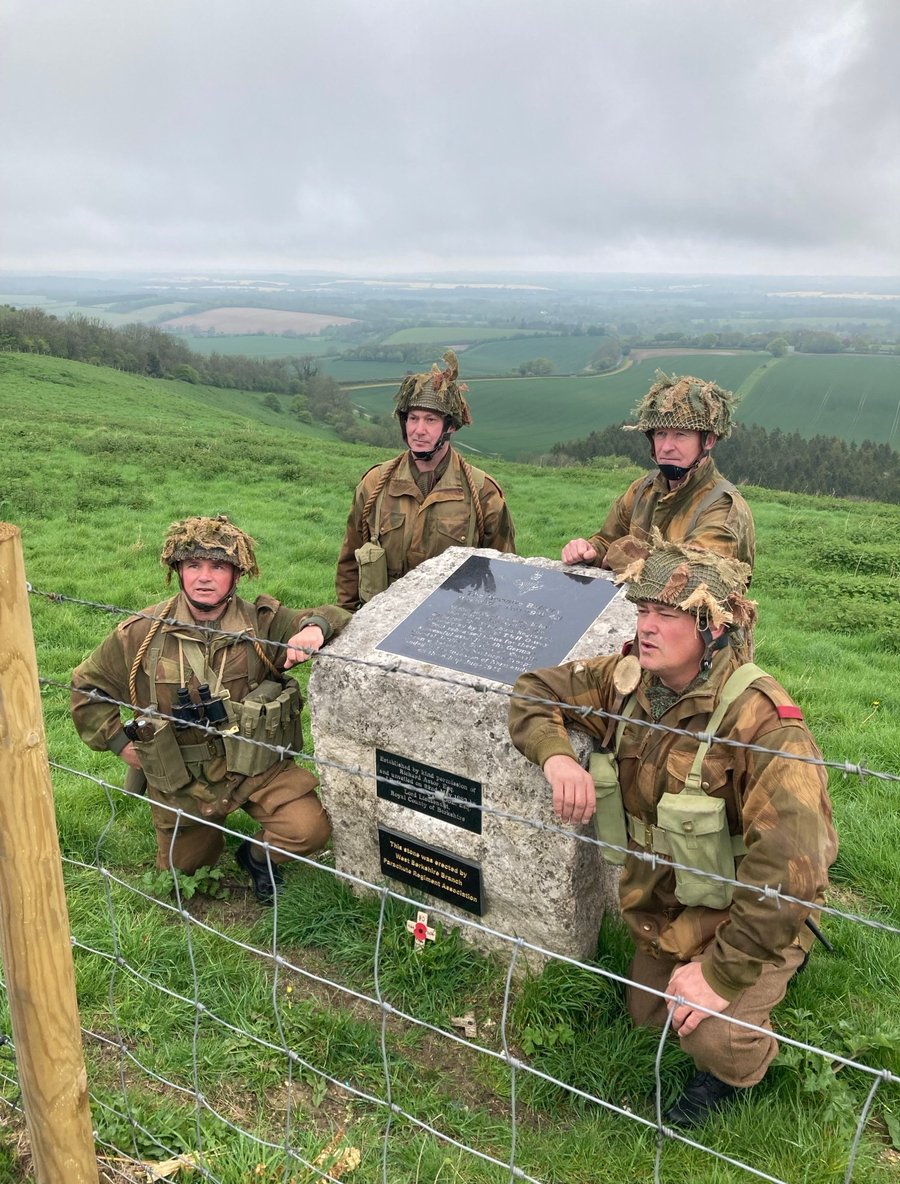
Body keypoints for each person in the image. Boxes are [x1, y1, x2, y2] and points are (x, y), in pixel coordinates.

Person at [508, 538, 837, 1127]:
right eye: (642, 612)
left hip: (748, 909)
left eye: (668, 615)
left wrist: (719, 974)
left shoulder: (762, 722)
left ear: (711, 629)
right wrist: (556, 756)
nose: (647, 628)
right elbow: (534, 689)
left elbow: (795, 866)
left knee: (710, 1039)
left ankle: (757, 1020)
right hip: (666, 907)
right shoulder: (628, 681)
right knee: (650, 1019)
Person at [72, 515, 352, 904]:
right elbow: (87, 685)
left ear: (236, 575)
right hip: (183, 777)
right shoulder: (142, 632)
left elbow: (329, 615)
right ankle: (200, 835)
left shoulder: (260, 624)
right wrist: (119, 742)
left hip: (254, 767)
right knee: (180, 879)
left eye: (218, 566)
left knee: (308, 829)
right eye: (193, 566)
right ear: (178, 571)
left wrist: (314, 628)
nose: (204, 577)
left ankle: (256, 857)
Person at [336, 350, 516, 610]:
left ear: (450, 427)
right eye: (413, 418)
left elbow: (503, 573)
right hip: (380, 620)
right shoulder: (375, 484)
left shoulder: (483, 493)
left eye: (430, 420)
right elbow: (350, 565)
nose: (419, 430)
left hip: (448, 625)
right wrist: (348, 623)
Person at [561, 371, 756, 573]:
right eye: (661, 434)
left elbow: (692, 576)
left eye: (680, 435)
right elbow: (607, 541)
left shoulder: (723, 507)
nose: (666, 447)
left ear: (708, 440)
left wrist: (618, 556)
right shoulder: (642, 490)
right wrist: (589, 550)